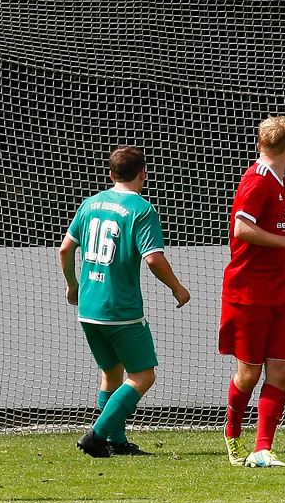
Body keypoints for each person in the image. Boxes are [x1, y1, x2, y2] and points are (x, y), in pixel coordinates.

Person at [60, 146, 191, 458]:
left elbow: (65, 249)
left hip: (88, 307)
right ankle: (96, 435)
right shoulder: (141, 209)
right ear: (143, 174)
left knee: (111, 374)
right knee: (144, 375)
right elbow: (154, 259)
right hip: (120, 309)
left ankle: (116, 443)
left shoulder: (90, 204)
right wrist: (177, 288)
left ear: (111, 174)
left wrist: (72, 285)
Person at [220, 116, 285, 468]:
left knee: (280, 372)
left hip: (282, 292)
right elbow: (242, 229)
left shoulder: (278, 181)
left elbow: (266, 231)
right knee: (249, 374)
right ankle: (232, 436)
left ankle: (263, 449)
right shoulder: (256, 180)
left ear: (260, 144)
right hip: (249, 293)